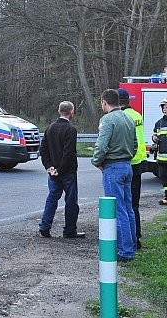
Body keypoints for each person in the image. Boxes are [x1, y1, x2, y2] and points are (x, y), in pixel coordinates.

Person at [92, 88, 137, 262]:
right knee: (128, 209)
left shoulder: (108, 119)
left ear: (104, 102)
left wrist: (96, 161)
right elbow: (134, 144)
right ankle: (131, 244)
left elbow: (102, 145)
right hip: (127, 165)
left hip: (113, 167)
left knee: (118, 211)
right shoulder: (129, 117)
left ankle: (125, 251)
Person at [38, 101, 84, 238]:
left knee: (52, 198)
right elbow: (68, 153)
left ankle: (45, 226)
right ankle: (69, 230)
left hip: (53, 171)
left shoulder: (50, 128)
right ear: (72, 112)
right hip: (67, 171)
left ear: (59, 111)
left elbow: (43, 149)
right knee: (70, 201)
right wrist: (60, 169)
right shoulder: (70, 130)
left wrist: (49, 166)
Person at [121, 89, 147, 249]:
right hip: (139, 161)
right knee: (134, 204)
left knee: (124, 204)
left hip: (128, 161)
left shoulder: (123, 117)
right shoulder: (137, 115)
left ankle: (128, 238)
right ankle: (137, 237)